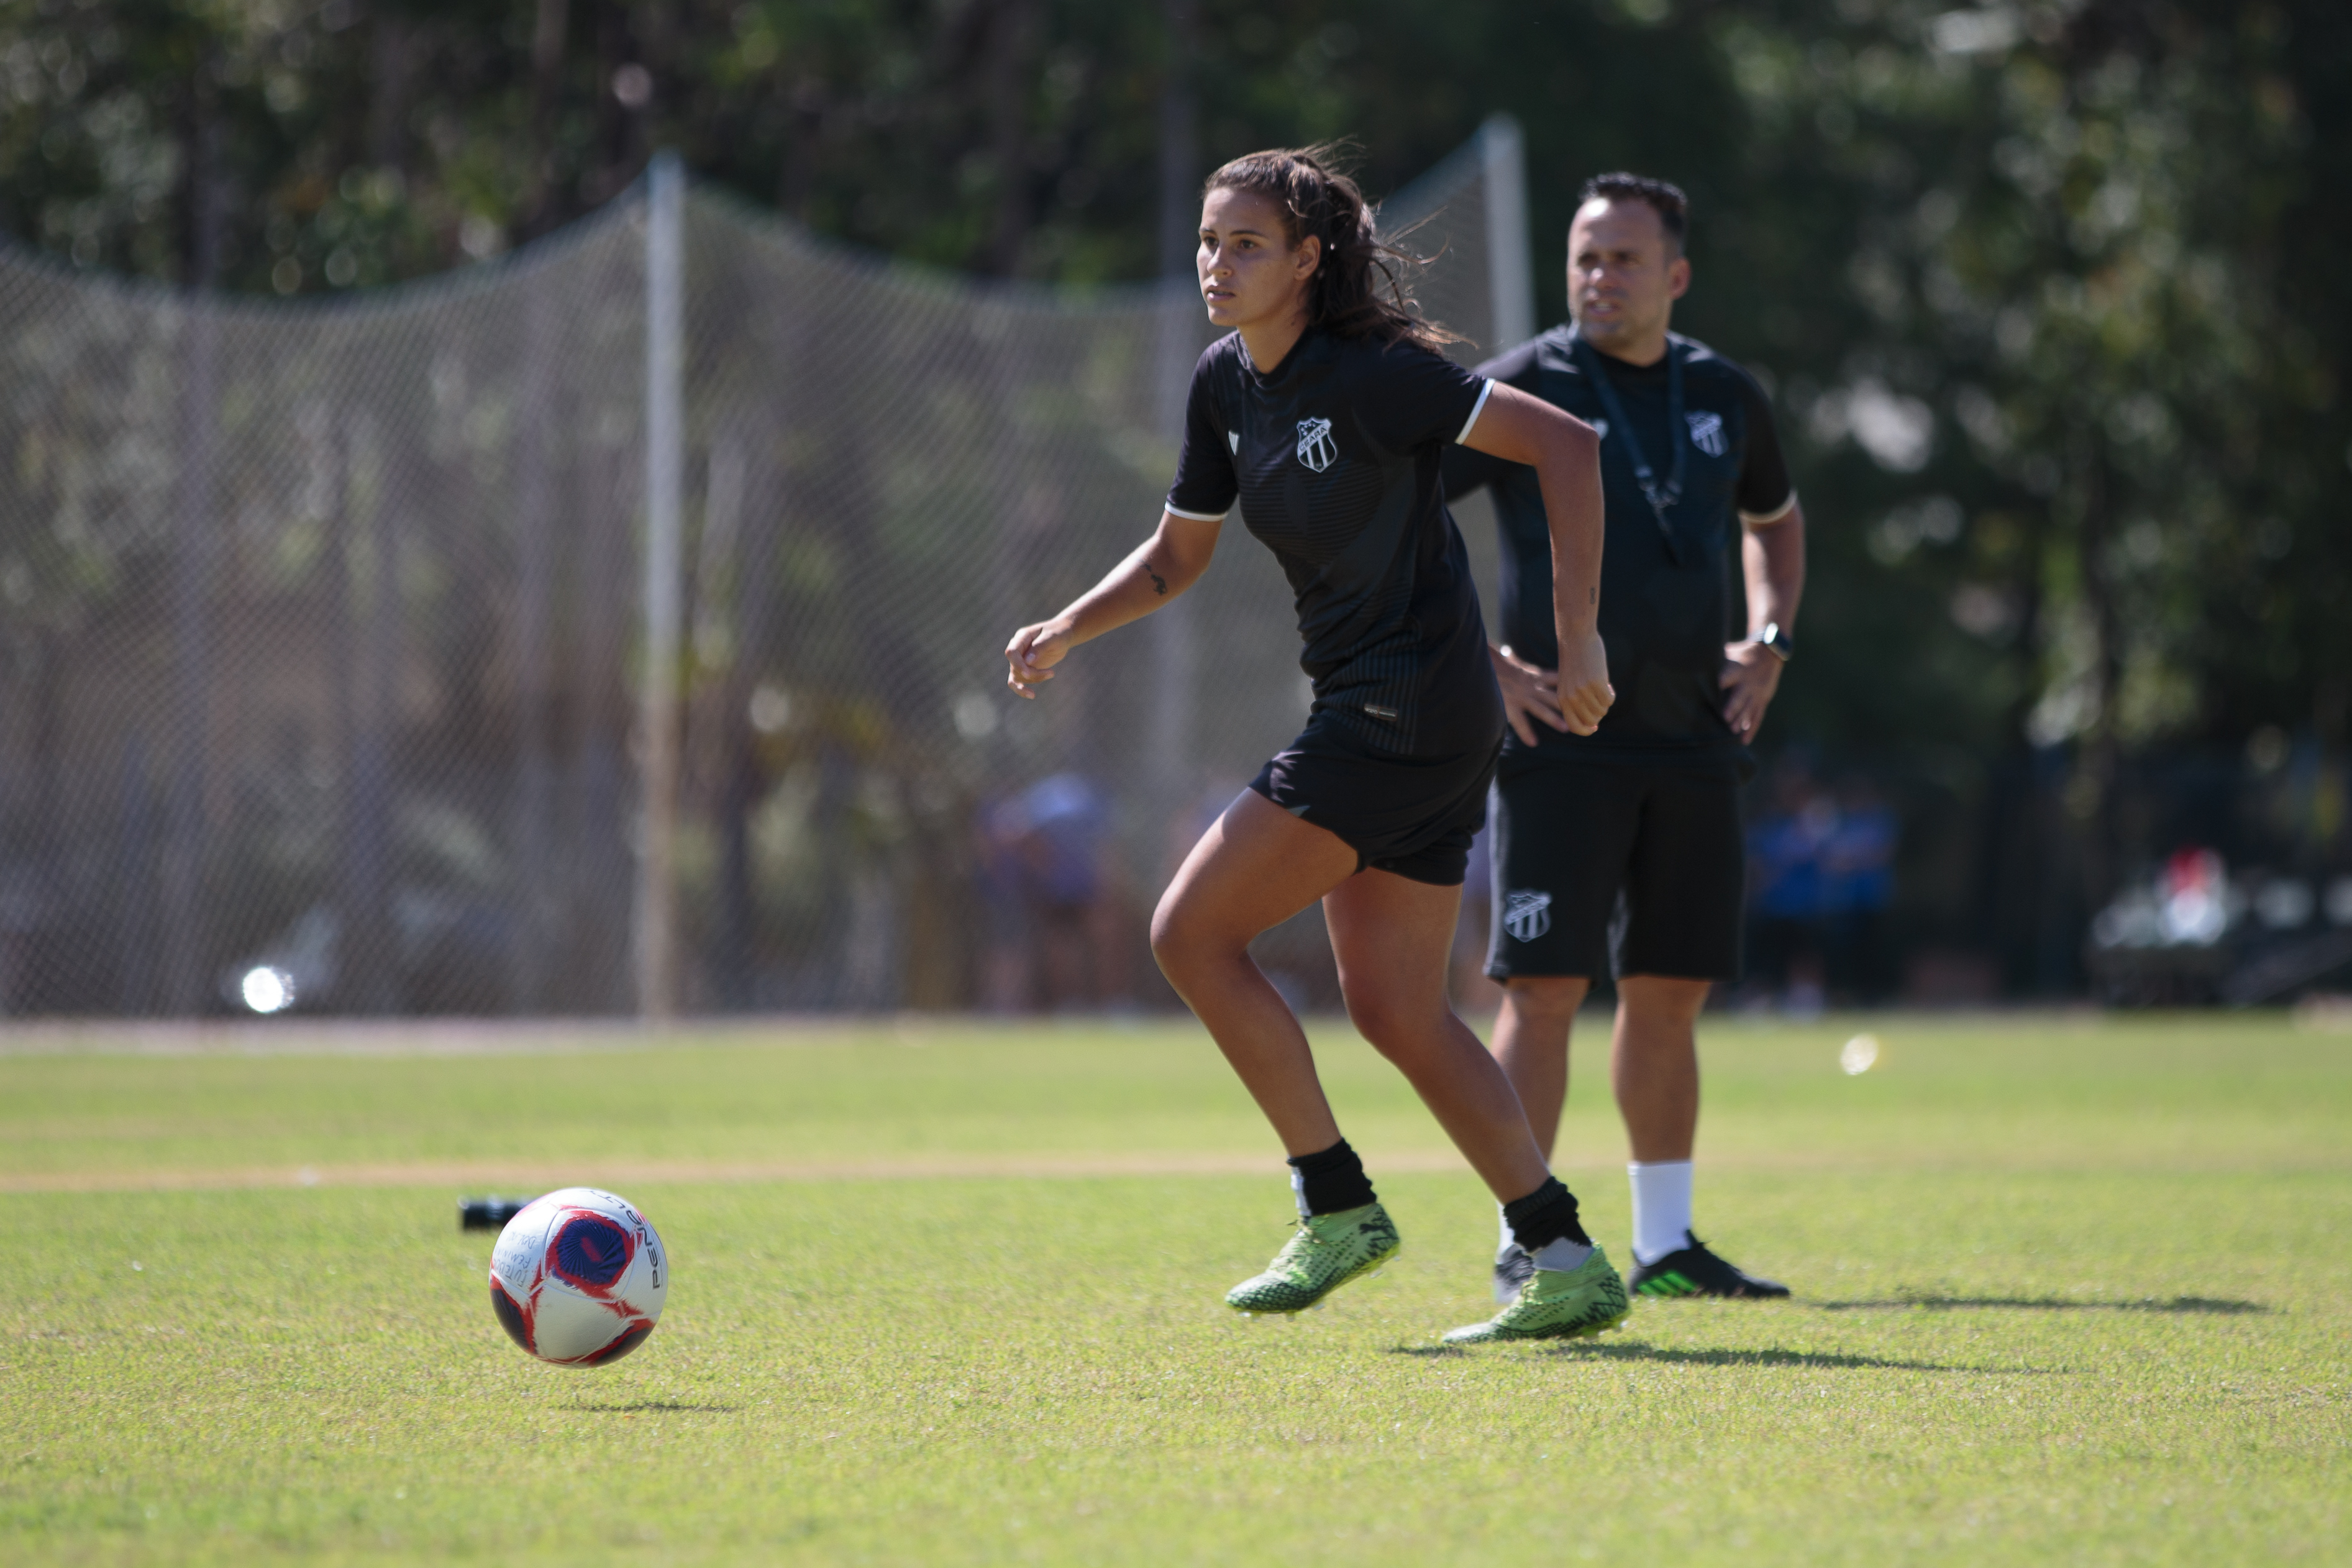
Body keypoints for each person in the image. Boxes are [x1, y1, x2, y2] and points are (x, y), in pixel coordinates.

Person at [1005, 145, 1623, 1344]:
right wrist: (1070, 625)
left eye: (1245, 244)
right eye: (1207, 241)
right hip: (1401, 712)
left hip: (1401, 711)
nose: (1216, 263)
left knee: (1188, 933)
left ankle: (1335, 1206)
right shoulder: (1224, 384)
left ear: (1306, 258)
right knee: (1396, 1010)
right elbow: (1178, 556)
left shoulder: (1379, 374)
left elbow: (1568, 445)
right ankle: (1563, 1256)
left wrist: (1577, 638)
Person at [1444, 172, 1806, 1301]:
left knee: (1667, 992)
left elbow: (1775, 521)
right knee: (1543, 989)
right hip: (1560, 744)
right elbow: (1396, 516)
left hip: (1693, 742)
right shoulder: (1518, 387)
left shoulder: (1724, 392)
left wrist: (1770, 639)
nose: (1599, 277)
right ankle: (1527, 1245)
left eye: (1624, 259)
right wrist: (1484, 661)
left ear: (1675, 275)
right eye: (1585, 259)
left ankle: (1666, 1246)